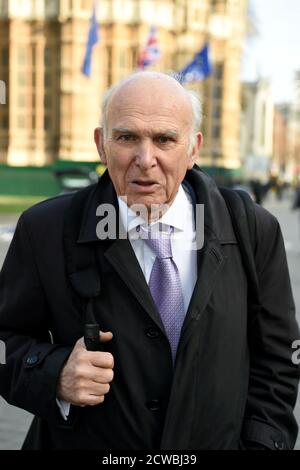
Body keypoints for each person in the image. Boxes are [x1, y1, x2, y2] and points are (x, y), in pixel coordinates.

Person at [0, 72, 299, 450]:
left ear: (193, 149)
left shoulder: (251, 229)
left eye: (164, 139)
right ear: (101, 144)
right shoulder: (44, 229)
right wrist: (53, 374)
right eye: (126, 137)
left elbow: (279, 360)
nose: (146, 159)